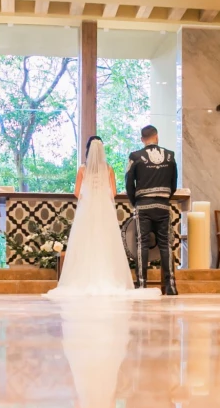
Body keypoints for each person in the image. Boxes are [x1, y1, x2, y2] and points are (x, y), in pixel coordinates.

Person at [47, 136, 159, 298]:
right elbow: (113, 192)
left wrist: (90, 199)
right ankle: (109, 278)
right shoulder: (108, 169)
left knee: (85, 243)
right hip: (105, 211)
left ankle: (82, 279)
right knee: (106, 242)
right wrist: (101, 198)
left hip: (87, 211)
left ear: (88, 150)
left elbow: (77, 192)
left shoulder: (83, 169)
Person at [125, 125, 179, 295]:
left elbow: (129, 183)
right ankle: (170, 285)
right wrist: (165, 198)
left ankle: (142, 284)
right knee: (165, 244)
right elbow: (173, 183)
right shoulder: (170, 156)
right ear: (157, 136)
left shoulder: (135, 156)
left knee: (142, 243)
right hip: (163, 205)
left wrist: (136, 202)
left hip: (143, 205)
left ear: (142, 139)